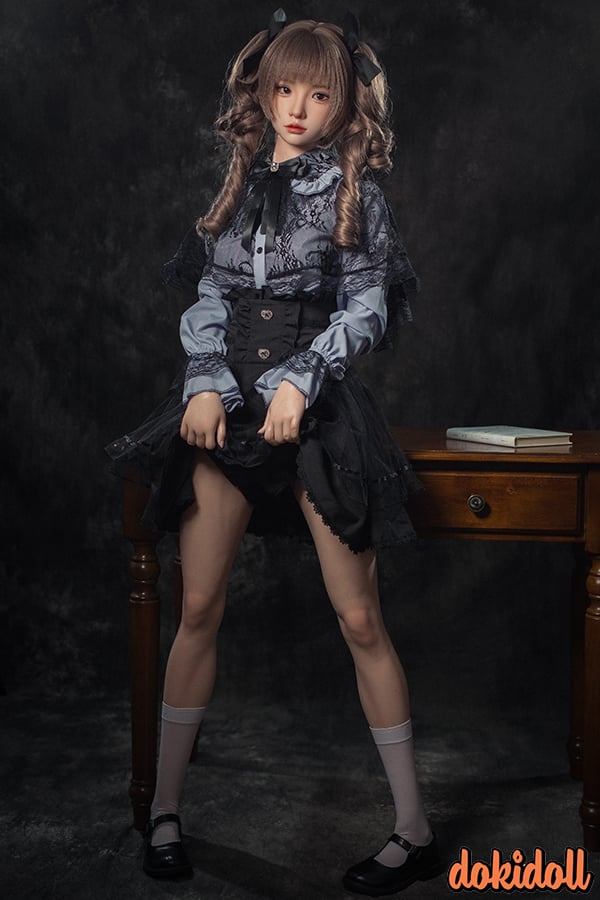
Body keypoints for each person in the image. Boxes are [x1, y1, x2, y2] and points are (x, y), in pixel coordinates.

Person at [107, 10, 442, 896]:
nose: (296, 108)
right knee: (198, 606)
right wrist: (204, 378)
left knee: (360, 619)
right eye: (283, 89)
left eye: (318, 94)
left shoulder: (356, 195)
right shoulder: (241, 185)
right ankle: (166, 813)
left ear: (344, 104)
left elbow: (366, 307)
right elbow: (211, 294)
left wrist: (303, 377)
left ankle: (413, 829)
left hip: (316, 408)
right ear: (261, 93)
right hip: (225, 408)